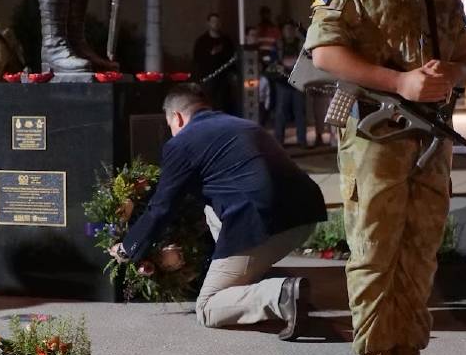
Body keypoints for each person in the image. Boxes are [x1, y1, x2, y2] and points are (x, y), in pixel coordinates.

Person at [305, 0, 466, 355]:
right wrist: (399, 80)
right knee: (375, 247)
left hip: (430, 139)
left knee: (421, 250)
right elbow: (324, 52)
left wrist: (451, 75)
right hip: (375, 137)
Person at [110, 84, 327, 340]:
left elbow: (162, 208)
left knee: (208, 307)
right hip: (305, 214)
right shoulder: (243, 125)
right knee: (210, 208)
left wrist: (128, 248)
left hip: (262, 223)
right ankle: (253, 282)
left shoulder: (182, 143)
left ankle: (281, 294)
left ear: (177, 117)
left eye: (170, 125)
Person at [192, 13, 237, 115]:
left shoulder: (226, 40)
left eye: (217, 22)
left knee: (223, 106)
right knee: (207, 105)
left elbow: (232, 58)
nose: (215, 24)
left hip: (224, 80)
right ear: (208, 23)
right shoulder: (202, 41)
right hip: (208, 79)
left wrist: (233, 74)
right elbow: (197, 60)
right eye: (213, 22)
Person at [272, 21, 308, 146]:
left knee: (300, 112)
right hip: (282, 83)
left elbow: (307, 59)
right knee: (280, 112)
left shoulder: (300, 44)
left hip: (298, 83)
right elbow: (272, 61)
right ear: (283, 31)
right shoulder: (278, 45)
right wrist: (277, 66)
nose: (288, 31)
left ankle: (302, 141)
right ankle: (278, 141)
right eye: (286, 29)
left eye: (291, 29)